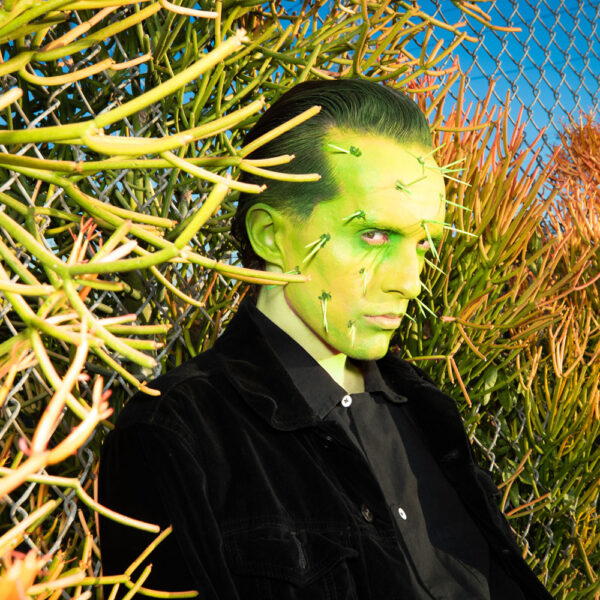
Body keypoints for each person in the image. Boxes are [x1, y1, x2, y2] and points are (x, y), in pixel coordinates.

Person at [98, 79, 553, 599]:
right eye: (374, 235)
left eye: (424, 243)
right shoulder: (179, 435)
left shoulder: (428, 411)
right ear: (271, 235)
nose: (410, 281)